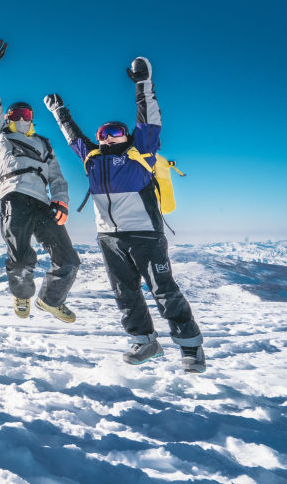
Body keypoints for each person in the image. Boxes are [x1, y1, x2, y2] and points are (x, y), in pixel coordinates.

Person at [45, 57, 205, 373]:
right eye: (102, 133)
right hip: (109, 237)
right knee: (124, 292)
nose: (107, 137)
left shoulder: (141, 152)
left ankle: (190, 346)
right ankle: (145, 341)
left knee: (163, 289)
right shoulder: (92, 159)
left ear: (127, 135)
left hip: (145, 233)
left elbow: (149, 121)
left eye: (114, 131)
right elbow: (73, 136)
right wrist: (58, 111)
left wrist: (142, 84)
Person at [0, 39, 82, 322]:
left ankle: (51, 300)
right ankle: (22, 294)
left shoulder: (44, 144)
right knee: (21, 259)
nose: (22, 118)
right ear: (8, 118)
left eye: (26, 114)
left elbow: (57, 177)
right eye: (16, 115)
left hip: (43, 203)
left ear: (33, 119)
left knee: (69, 260)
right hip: (13, 196)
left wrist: (61, 201)